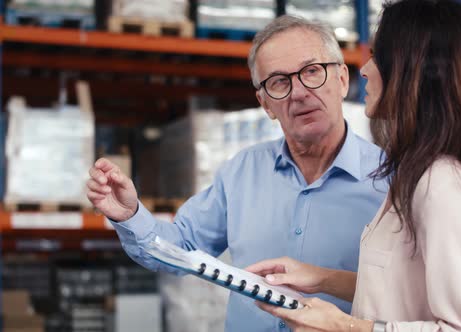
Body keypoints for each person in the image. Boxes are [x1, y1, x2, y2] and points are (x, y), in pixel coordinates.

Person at [246, 1, 461, 331]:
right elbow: (405, 286)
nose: (365, 69)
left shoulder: (443, 185)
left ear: (411, 70)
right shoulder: (422, 174)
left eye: (377, 57)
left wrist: (345, 327)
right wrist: (320, 278)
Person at [86, 15, 387, 332]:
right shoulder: (242, 172)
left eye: (312, 71)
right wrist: (130, 214)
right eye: (279, 82)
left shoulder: (391, 181)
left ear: (342, 80)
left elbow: (411, 296)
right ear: (265, 103)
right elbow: (180, 249)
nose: (298, 92)